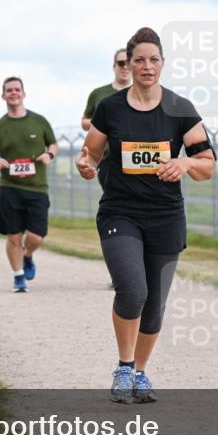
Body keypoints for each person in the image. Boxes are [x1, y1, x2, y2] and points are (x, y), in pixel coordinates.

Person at [77, 27, 215, 404]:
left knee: (154, 304)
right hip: (120, 211)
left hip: (165, 217)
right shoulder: (111, 107)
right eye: (138, 59)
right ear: (129, 64)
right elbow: (89, 151)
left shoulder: (180, 109)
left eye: (154, 59)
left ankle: (140, 373)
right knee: (133, 290)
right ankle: (123, 367)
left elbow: (207, 165)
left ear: (163, 64)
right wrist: (84, 164)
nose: (146, 66)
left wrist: (184, 164)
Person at [0, 77, 58, 293]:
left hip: (37, 188)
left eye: (17, 89)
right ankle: (18, 277)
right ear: (3, 96)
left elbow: (53, 144)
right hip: (9, 188)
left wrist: (49, 154)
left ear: (24, 94)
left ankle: (28, 255)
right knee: (14, 235)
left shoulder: (39, 121)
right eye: (9, 90)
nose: (13, 93)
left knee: (36, 236)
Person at [83, 47, 132, 289]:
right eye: (120, 63)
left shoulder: (144, 94)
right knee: (121, 210)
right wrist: (104, 124)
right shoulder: (100, 94)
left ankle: (134, 266)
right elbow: (84, 120)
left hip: (141, 164)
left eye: (127, 62)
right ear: (114, 66)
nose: (124, 67)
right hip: (110, 161)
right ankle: (121, 270)